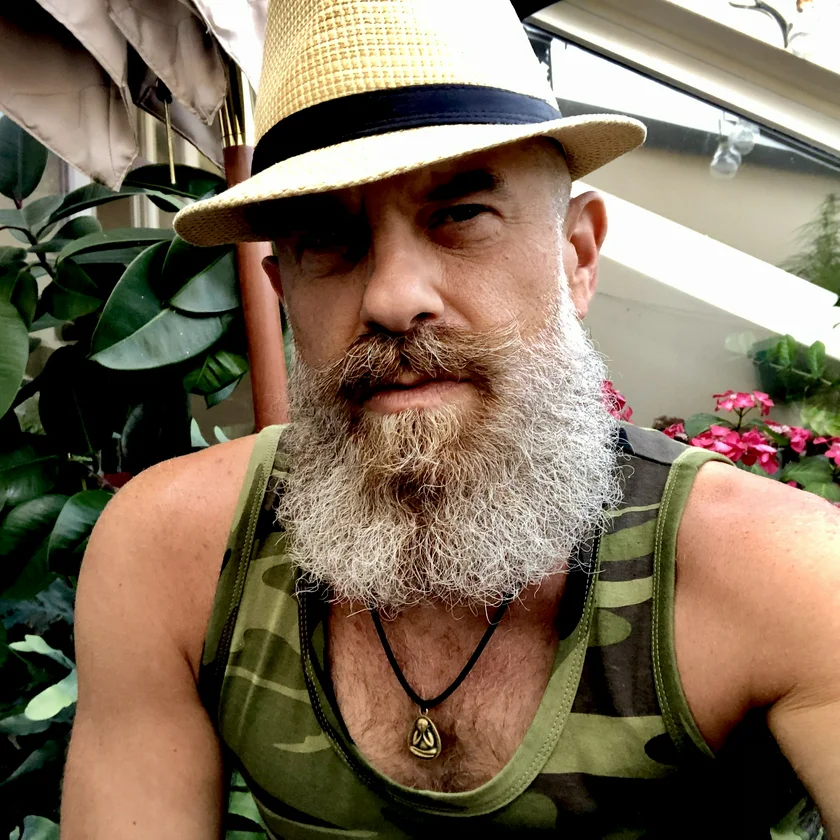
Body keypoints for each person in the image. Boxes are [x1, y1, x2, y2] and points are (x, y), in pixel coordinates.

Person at [60, 0, 839, 837]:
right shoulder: (174, 555)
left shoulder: (777, 576)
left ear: (577, 256)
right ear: (284, 292)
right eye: (327, 239)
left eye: (462, 216)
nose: (393, 298)